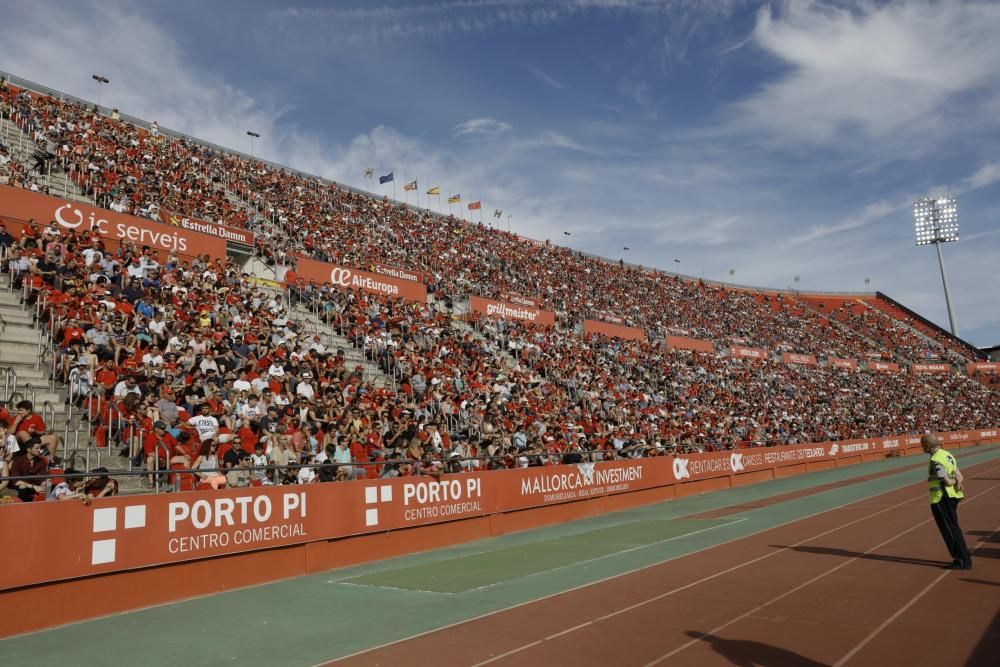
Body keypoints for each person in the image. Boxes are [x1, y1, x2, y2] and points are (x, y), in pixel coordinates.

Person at [921, 434, 972, 570]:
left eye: (922, 445)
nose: (921, 448)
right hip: (952, 496)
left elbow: (947, 481)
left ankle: (962, 560)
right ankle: (964, 555)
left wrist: (954, 482)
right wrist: (958, 483)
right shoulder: (947, 455)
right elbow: (959, 475)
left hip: (941, 498)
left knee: (949, 530)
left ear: (927, 445)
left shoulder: (936, 460)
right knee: (954, 528)